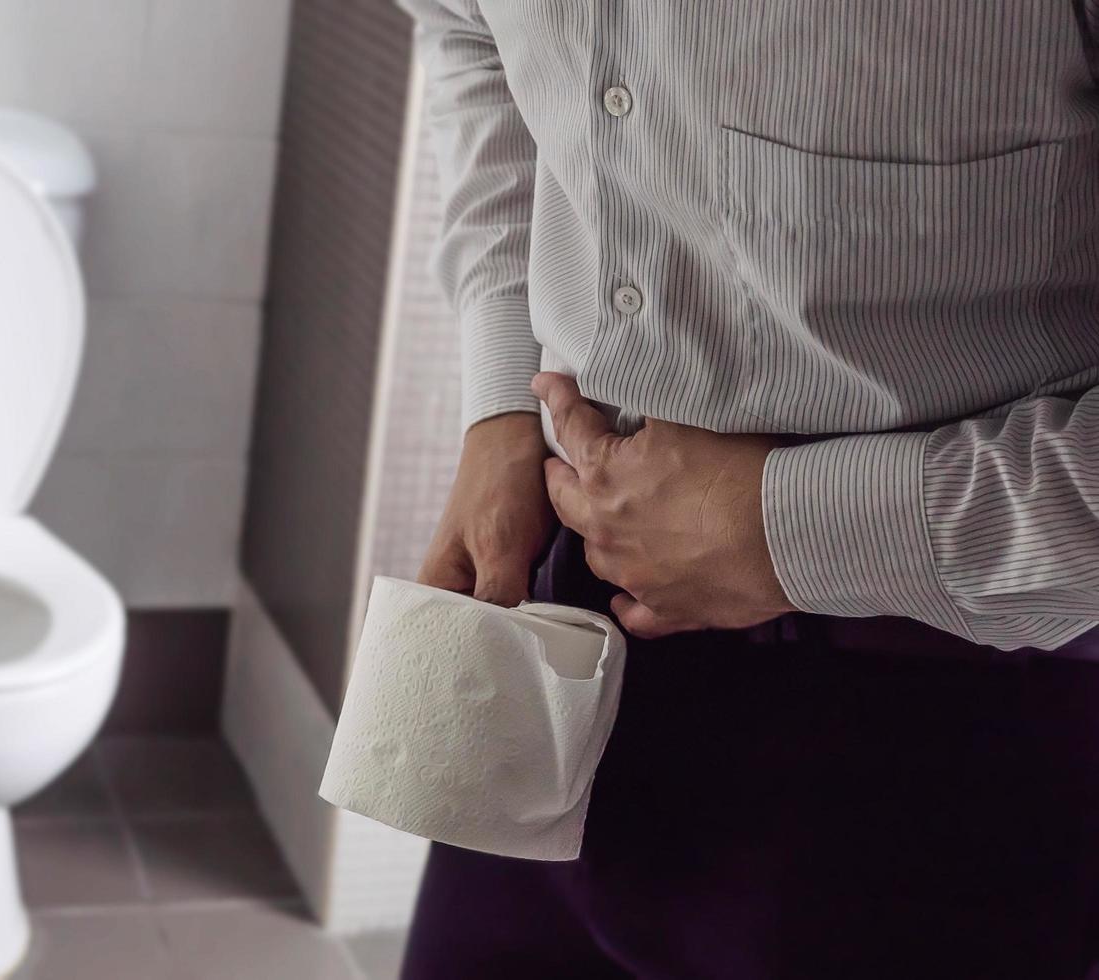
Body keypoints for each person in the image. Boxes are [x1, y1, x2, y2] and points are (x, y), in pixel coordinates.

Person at [395, 3, 1099, 978]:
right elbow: (467, 26)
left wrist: (793, 528)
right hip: (559, 639)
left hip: (947, 728)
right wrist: (501, 404)